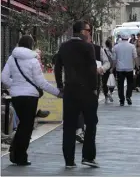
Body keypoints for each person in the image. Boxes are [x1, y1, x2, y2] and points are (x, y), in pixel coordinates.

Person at [2, 35, 61, 166]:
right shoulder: (33, 60)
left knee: (23, 125)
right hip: (30, 97)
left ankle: (16, 152)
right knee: (26, 127)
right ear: (31, 45)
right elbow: (41, 82)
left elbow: (4, 78)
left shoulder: (12, 58)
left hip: (16, 96)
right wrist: (57, 93)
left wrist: (16, 85)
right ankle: (20, 156)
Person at [54, 21, 99, 168]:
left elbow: (57, 67)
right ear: (81, 32)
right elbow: (93, 69)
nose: (89, 32)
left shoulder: (64, 47)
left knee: (69, 126)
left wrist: (60, 85)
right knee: (91, 123)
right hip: (86, 91)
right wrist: (95, 88)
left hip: (70, 91)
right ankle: (88, 156)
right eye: (88, 30)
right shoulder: (87, 47)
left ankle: (69, 160)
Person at [113, 34, 140, 106]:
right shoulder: (132, 46)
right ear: (128, 38)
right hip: (129, 68)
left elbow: (114, 59)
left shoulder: (116, 47)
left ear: (121, 38)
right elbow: (135, 57)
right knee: (130, 83)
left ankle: (121, 99)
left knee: (120, 85)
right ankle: (128, 96)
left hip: (119, 68)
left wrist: (112, 67)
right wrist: (137, 67)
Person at [103, 39, 115, 104]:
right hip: (111, 68)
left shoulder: (104, 50)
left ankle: (106, 96)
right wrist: (113, 68)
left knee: (105, 82)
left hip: (105, 68)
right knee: (112, 82)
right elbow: (114, 60)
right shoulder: (113, 50)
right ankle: (109, 93)